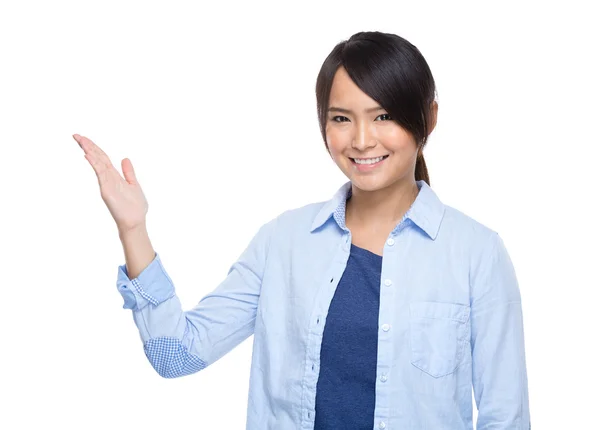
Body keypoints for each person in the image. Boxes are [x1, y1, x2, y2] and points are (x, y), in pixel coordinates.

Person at [74, 31, 530, 430]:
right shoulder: (283, 243)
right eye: (340, 118)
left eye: (384, 116)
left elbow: (506, 419)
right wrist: (133, 228)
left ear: (428, 118)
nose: (362, 139)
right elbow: (176, 355)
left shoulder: (477, 254)